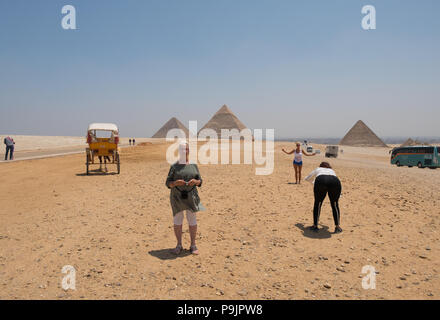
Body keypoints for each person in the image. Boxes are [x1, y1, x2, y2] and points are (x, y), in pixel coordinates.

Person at [166, 142, 203, 255]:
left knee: (192, 219)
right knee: (178, 220)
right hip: (177, 197)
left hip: (191, 196)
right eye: (182, 149)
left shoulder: (193, 165)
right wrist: (175, 183)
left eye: (186, 149)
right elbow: (167, 183)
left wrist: (195, 182)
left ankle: (193, 245)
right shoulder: (174, 166)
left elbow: (200, 181)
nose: (184, 151)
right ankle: (179, 245)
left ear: (188, 151)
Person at [305, 162, 342, 234]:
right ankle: (337, 227)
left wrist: (315, 183)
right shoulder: (332, 171)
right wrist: (338, 195)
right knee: (334, 204)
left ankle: (315, 225)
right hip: (335, 181)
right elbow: (335, 183)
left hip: (321, 180)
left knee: (318, 203)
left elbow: (308, 178)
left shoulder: (318, 169)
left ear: (320, 166)